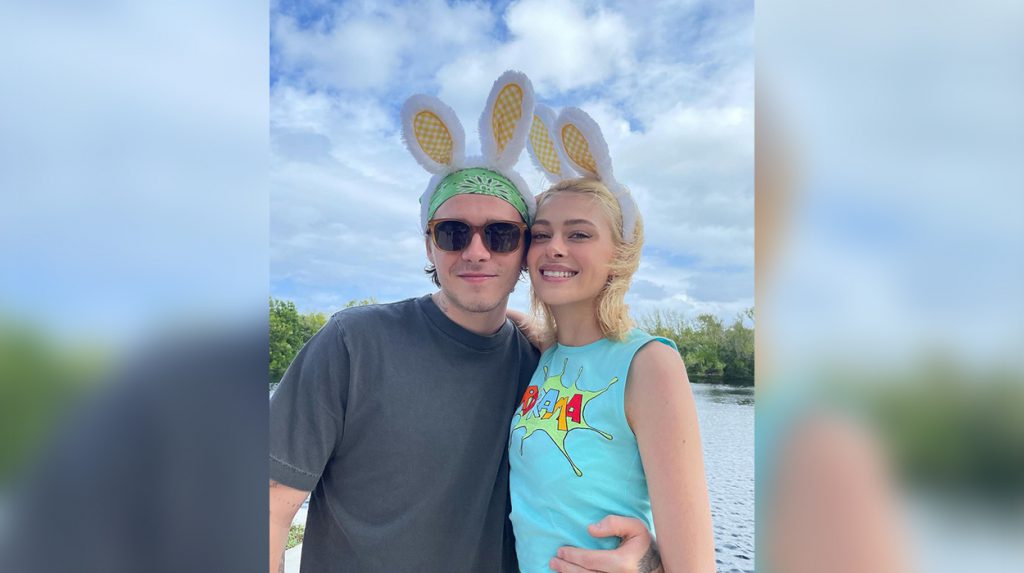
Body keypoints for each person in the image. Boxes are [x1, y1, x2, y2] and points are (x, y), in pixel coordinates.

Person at [268, 72, 658, 573]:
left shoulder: (542, 368)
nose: (476, 252)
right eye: (453, 233)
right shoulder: (353, 344)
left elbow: (591, 487)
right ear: (429, 244)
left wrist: (649, 560)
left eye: (501, 235)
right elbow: (270, 508)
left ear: (526, 250)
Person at [507, 107, 716, 573]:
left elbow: (696, 564)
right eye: (541, 234)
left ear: (619, 255)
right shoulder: (545, 354)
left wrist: (647, 568)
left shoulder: (649, 363)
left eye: (579, 234)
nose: (555, 247)